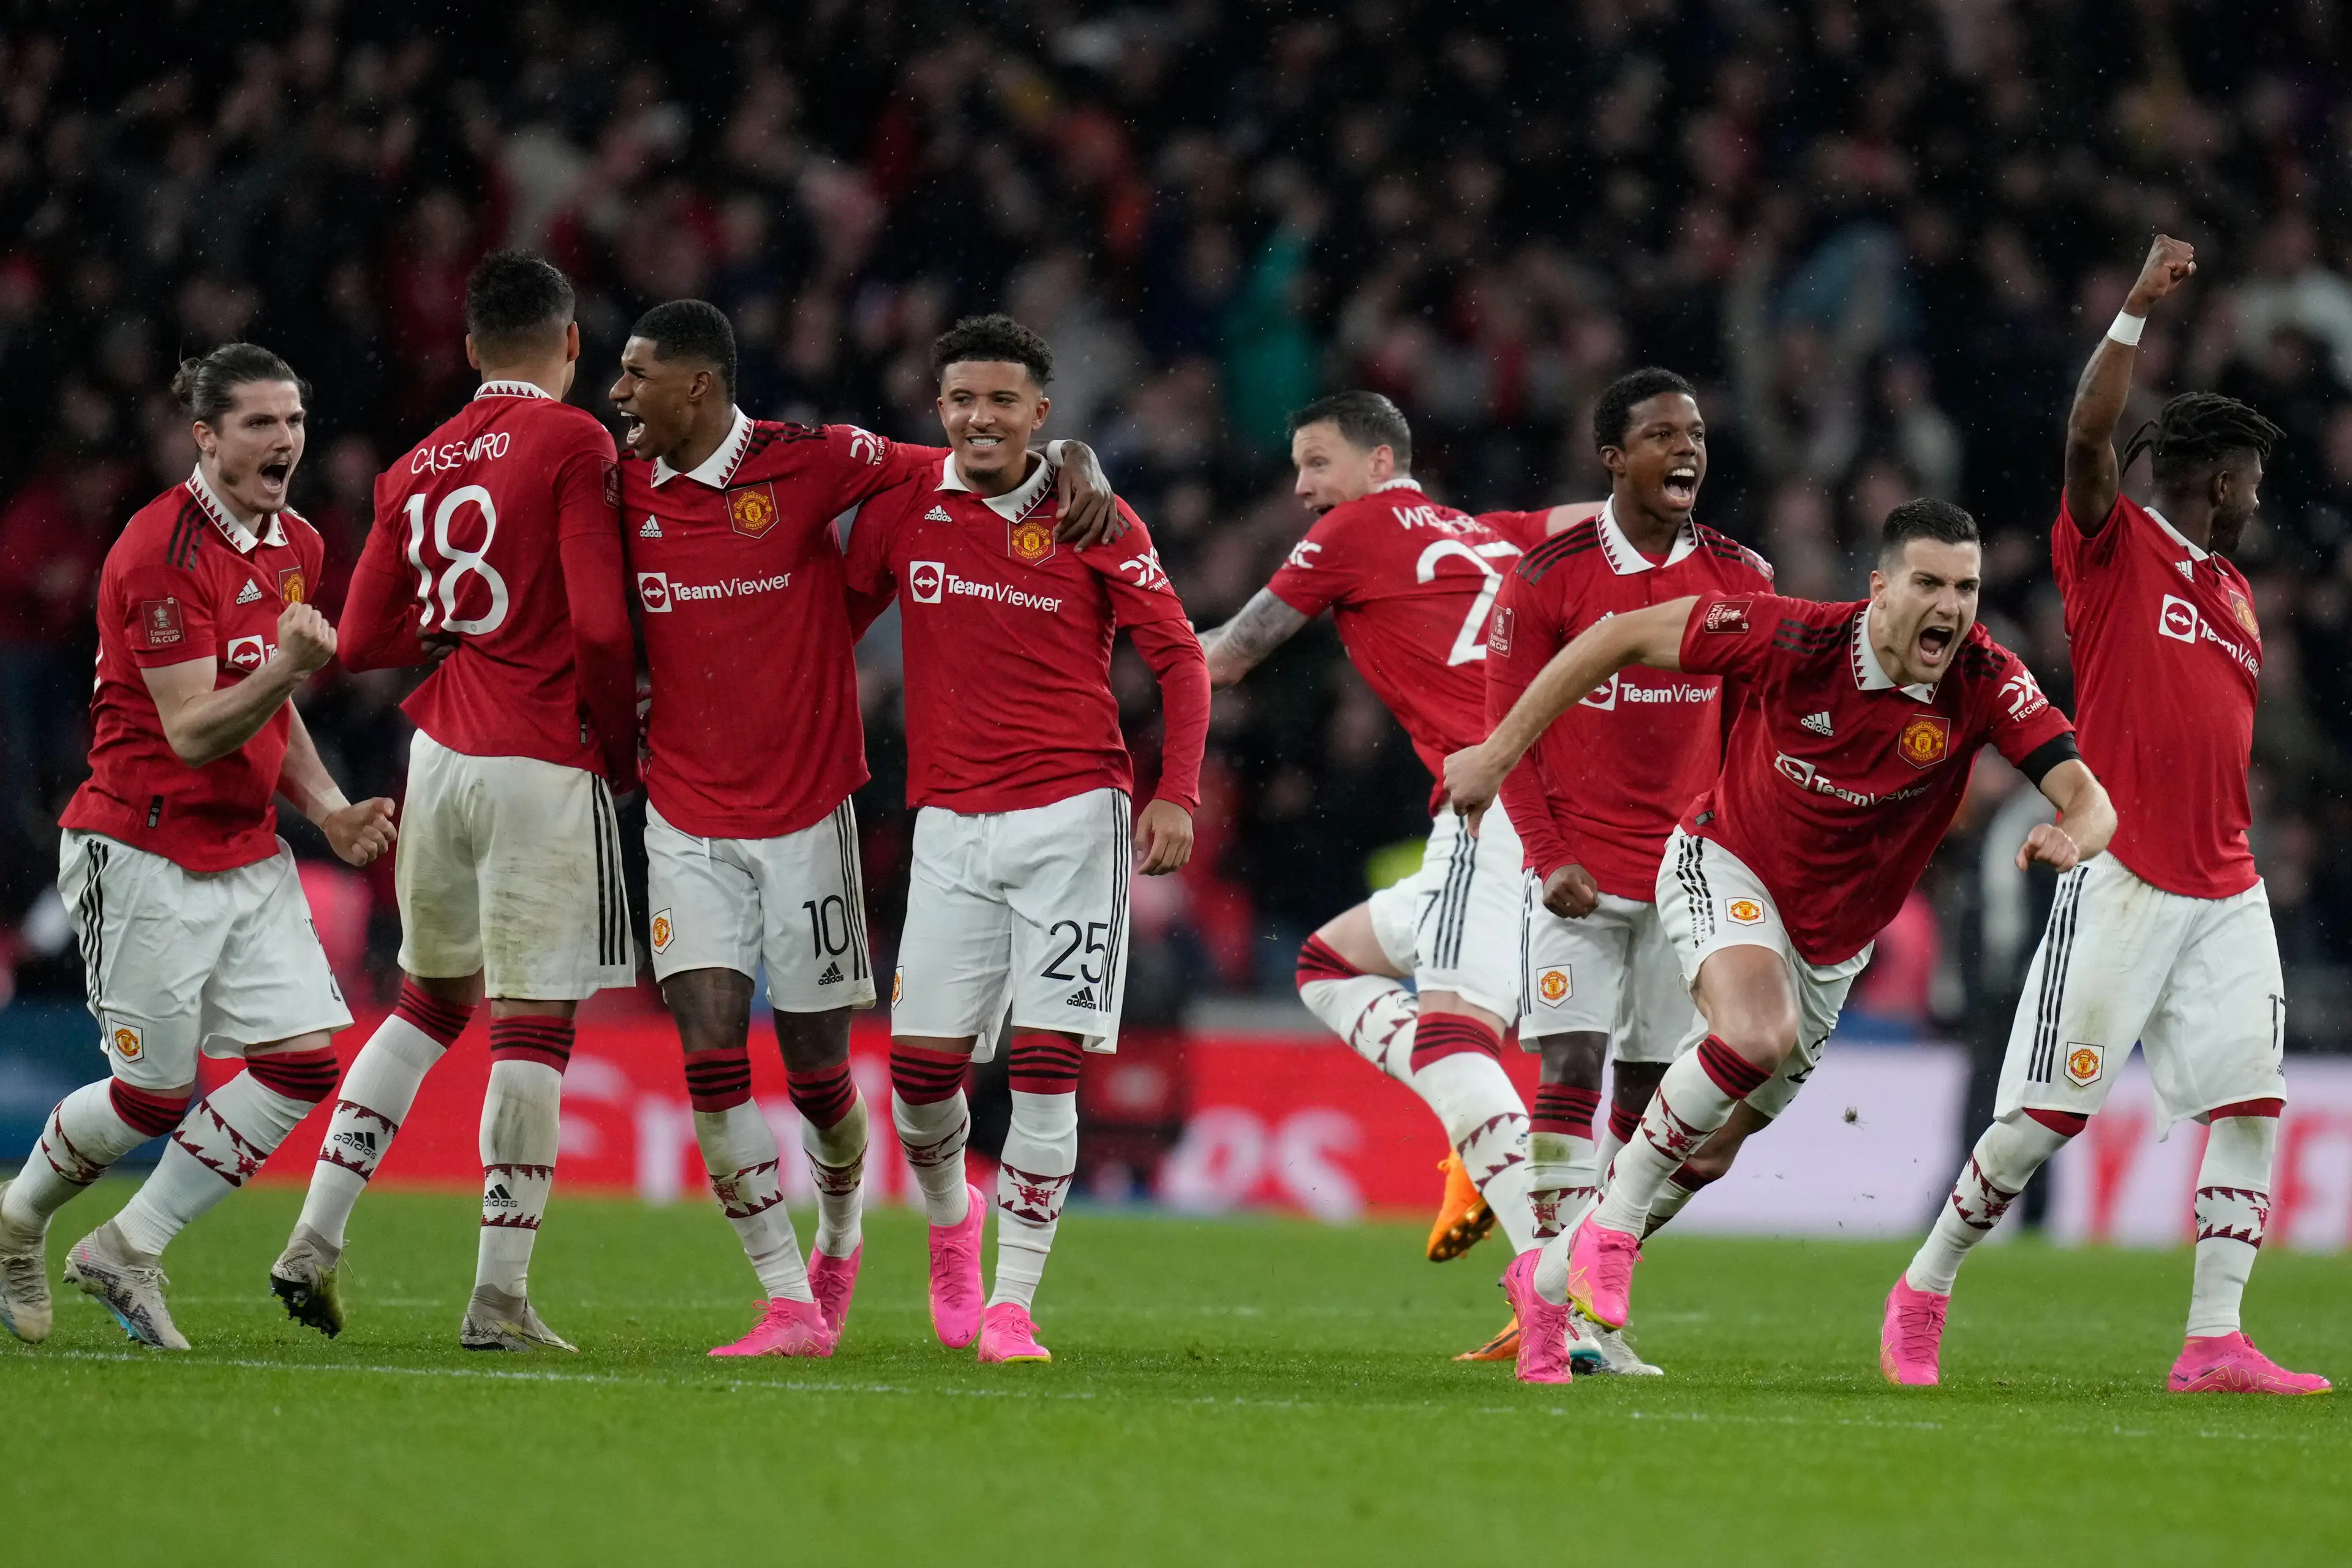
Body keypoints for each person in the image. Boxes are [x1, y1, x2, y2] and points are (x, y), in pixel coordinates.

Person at [1446, 499, 2114, 1384]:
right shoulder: (1790, 639)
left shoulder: (1986, 678)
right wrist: (1497, 751)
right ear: (1880, 590)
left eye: (1967, 587)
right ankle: (1609, 1233)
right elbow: (1612, 640)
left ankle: (1548, 1274)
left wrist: (2075, 831)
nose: (1950, 608)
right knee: (1754, 1034)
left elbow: (2093, 798)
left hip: (1834, 943)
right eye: (1928, 584)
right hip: (1724, 865)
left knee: (1715, 1147)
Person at [608, 300, 1117, 1358]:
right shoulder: (617, 485)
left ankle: (885, 1226)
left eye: (635, 374)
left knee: (819, 1079)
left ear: (695, 385)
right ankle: (788, 1299)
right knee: (709, 1054)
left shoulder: (818, 458)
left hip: (806, 808)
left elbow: (973, 448)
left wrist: (1076, 455)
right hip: (683, 808)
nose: (617, 395)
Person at [1885, 235, 2330, 1395]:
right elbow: (2088, 438)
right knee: (2040, 1122)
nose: (2260, 499)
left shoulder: (2234, 593)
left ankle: (2214, 1341)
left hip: (2227, 887)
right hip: (2124, 878)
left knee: (2254, 1100)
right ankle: (1925, 1287)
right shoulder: (2114, 546)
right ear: (2221, 480)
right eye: (2254, 481)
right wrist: (2132, 307)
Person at [272, 251, 638, 1352]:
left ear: (471, 348)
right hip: (539, 759)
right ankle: (498, 1298)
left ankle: (314, 1237)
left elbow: (367, 637)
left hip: (439, 758)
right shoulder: (579, 441)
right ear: (571, 344)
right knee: (534, 1025)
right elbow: (606, 626)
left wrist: (463, 629)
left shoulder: (414, 463)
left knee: (428, 1003)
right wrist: (618, 750)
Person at [0, 344, 394, 1349]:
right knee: (152, 1094)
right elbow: (195, 727)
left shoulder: (296, 541)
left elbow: (274, 713)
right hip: (141, 846)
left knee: (305, 1062)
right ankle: (19, 1217)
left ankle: (128, 1247)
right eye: (260, 422)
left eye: (295, 420)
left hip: (245, 848)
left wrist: (330, 806)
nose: (285, 440)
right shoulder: (157, 554)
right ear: (206, 436)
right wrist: (292, 667)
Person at [843, 313, 1208, 1365]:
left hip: (1071, 819)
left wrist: (1174, 793)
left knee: (1047, 1065)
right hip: (950, 824)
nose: (980, 417)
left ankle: (1013, 1304)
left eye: (1004, 401)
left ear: (1041, 414)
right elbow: (830, 612)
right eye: (963, 399)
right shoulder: (912, 505)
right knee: (920, 1079)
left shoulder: (1094, 514)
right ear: (939, 410)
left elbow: (1179, 662)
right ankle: (954, 1225)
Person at [1197, 391, 1548, 1338]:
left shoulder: (1359, 528)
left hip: (1499, 797)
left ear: (1382, 466)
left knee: (1455, 1041)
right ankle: (1478, 1145)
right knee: (1329, 962)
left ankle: (1560, 1300)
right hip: (1568, 800)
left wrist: (1087, 670)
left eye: (1318, 463)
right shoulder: (1480, 533)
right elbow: (1580, 524)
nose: (1304, 486)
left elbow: (1227, 657)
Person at [1476, 367, 1776, 1375]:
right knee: (1568, 1069)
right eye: (1661, 435)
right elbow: (1505, 733)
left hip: (1688, 881)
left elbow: (1751, 735)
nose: (1687, 449)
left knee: (1654, 1103)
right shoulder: (1547, 575)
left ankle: (1593, 1314)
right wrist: (1550, 857)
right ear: (1613, 457)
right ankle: (1548, 1322)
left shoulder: (1745, 577)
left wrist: (1738, 854)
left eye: (1695, 432)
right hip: (1578, 879)